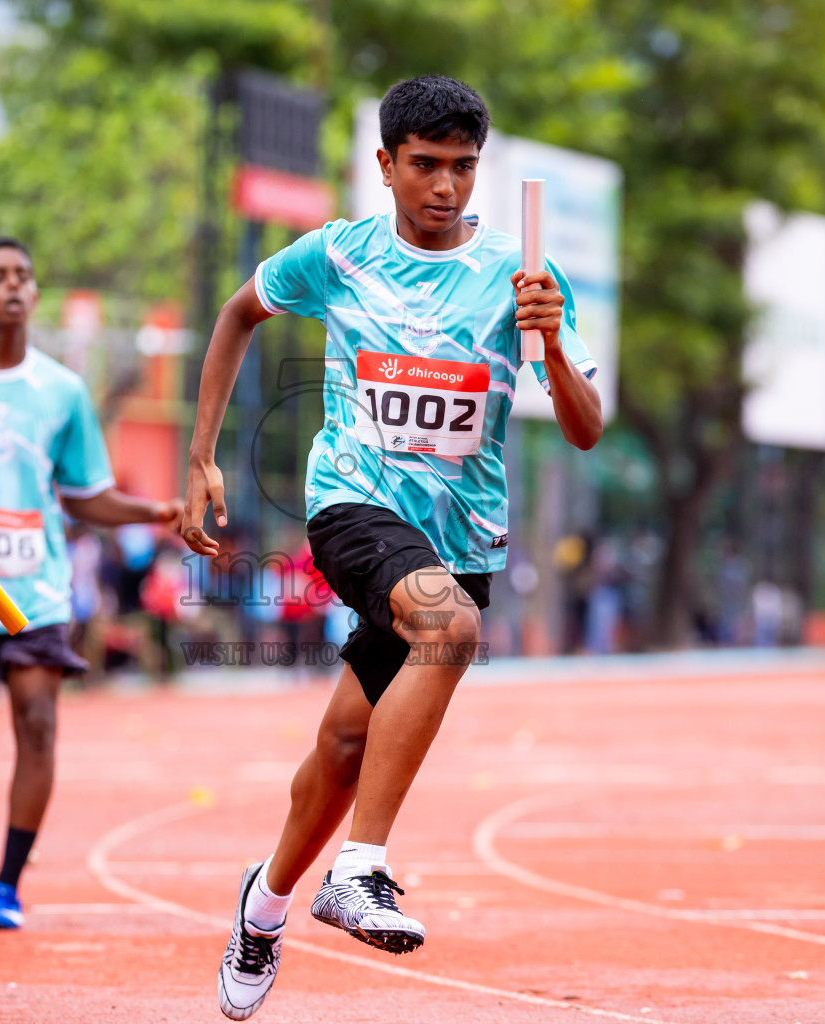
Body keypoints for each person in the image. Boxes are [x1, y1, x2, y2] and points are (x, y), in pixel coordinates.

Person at [187, 75, 603, 1020]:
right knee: (447, 631)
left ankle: (266, 903)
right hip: (352, 505)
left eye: (463, 167)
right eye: (425, 166)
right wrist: (202, 456)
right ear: (386, 166)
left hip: (462, 532)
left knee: (342, 744)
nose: (446, 186)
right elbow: (236, 315)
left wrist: (551, 345)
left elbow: (585, 426)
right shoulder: (336, 255)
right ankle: (360, 867)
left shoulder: (519, 276)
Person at [0, 236, 182, 928]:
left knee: (40, 725)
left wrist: (154, 511)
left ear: (35, 293)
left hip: (37, 589)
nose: (13, 286)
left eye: (24, 275)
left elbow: (86, 494)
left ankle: (7, 885)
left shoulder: (62, 390)